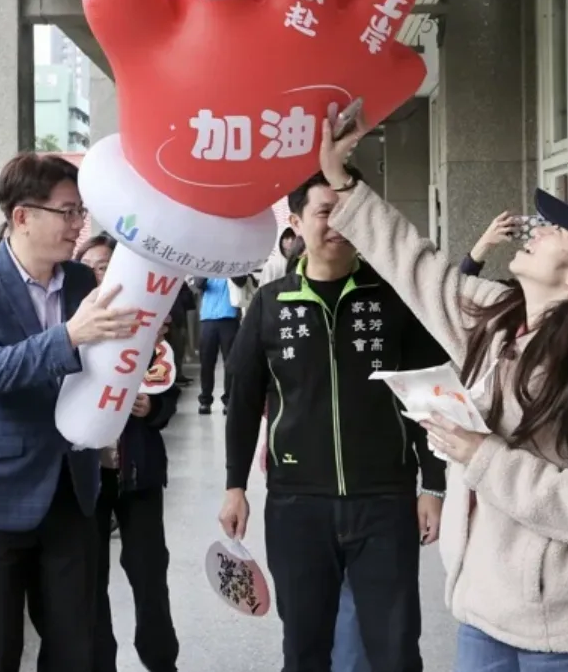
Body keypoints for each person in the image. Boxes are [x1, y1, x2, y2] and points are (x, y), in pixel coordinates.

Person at [320, 117, 568, 671]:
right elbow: (422, 271)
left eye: (560, 230)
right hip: (483, 618)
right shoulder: (497, 323)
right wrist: (344, 184)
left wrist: (484, 458)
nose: (538, 229)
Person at [220, 168, 448, 672]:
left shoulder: (391, 300)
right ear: (297, 222)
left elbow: (429, 391)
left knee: (395, 647)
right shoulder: (270, 305)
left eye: (347, 211)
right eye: (325, 211)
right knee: (304, 648)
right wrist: (235, 485)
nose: (338, 223)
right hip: (297, 504)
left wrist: (433, 484)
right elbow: (243, 399)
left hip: (384, 500)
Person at [0, 153, 140, 672]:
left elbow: (100, 362)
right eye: (67, 212)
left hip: (71, 489)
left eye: (81, 213)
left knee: (75, 644)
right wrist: (70, 335)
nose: (79, 226)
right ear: (22, 216)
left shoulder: (82, 283)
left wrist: (128, 377)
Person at [75, 235, 181, 672]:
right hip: (86, 477)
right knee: (90, 579)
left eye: (108, 265)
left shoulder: (150, 324)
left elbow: (168, 394)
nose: (103, 274)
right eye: (94, 268)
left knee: (148, 574)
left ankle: (161, 661)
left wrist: (152, 406)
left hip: (139, 473)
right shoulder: (72, 327)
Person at [190, 276, 240, 415]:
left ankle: (229, 401)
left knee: (230, 363)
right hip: (208, 319)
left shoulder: (234, 265)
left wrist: (231, 267)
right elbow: (199, 283)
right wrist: (210, 268)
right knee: (206, 363)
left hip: (229, 318)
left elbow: (241, 282)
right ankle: (205, 401)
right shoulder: (207, 268)